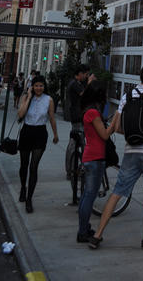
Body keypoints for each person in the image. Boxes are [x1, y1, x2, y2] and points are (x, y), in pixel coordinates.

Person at [89, 64, 143, 251]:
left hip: (130, 152)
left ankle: (97, 235)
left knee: (117, 192)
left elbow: (117, 127)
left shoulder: (127, 96)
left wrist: (132, 134)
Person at [77, 81, 116, 243]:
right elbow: (105, 135)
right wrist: (115, 120)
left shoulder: (88, 110)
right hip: (95, 157)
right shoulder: (93, 113)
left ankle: (84, 229)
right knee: (89, 196)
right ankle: (83, 231)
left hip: (90, 156)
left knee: (86, 195)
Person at [17, 74, 58, 213]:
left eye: (41, 85)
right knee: (24, 165)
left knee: (33, 167)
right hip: (26, 132)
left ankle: (29, 199)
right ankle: (23, 188)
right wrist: (29, 97)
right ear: (32, 87)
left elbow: (52, 118)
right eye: (36, 86)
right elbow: (20, 114)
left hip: (40, 134)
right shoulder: (26, 97)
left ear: (44, 86)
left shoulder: (49, 100)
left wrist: (55, 134)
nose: (39, 88)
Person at [65, 64, 94, 179]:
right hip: (77, 116)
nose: (86, 77)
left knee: (77, 142)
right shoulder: (74, 84)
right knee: (76, 142)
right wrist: (90, 82)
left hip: (78, 116)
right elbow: (84, 94)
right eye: (86, 74)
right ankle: (71, 170)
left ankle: (73, 169)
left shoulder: (77, 83)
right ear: (80, 73)